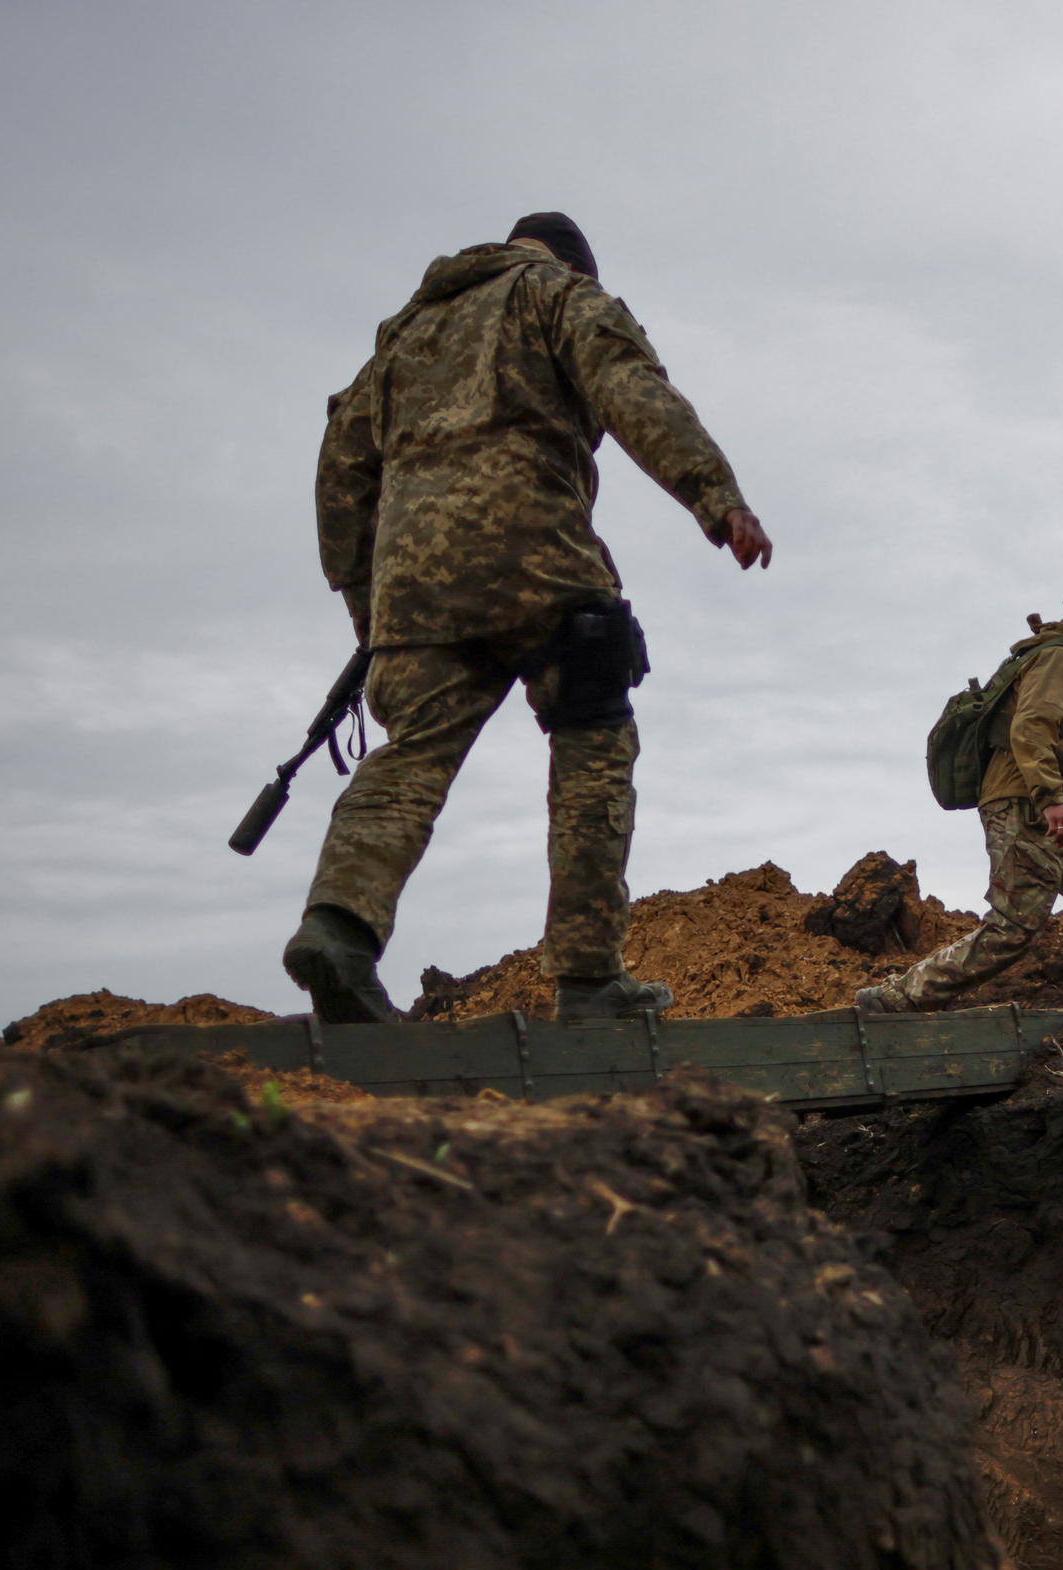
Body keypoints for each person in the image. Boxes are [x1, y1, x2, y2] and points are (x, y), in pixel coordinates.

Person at [284, 211, 772, 1024]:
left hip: (415, 588)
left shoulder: (402, 340)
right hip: (537, 556)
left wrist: (370, 610)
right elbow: (629, 387)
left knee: (411, 758)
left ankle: (337, 929)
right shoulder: (558, 296)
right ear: (579, 268)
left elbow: (340, 471)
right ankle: (588, 981)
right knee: (592, 741)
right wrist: (713, 494)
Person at [857, 579, 1063, 1035]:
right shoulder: (1059, 656)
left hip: (1042, 810)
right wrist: (1051, 800)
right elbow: (1031, 728)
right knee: (1013, 929)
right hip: (1030, 806)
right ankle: (895, 998)